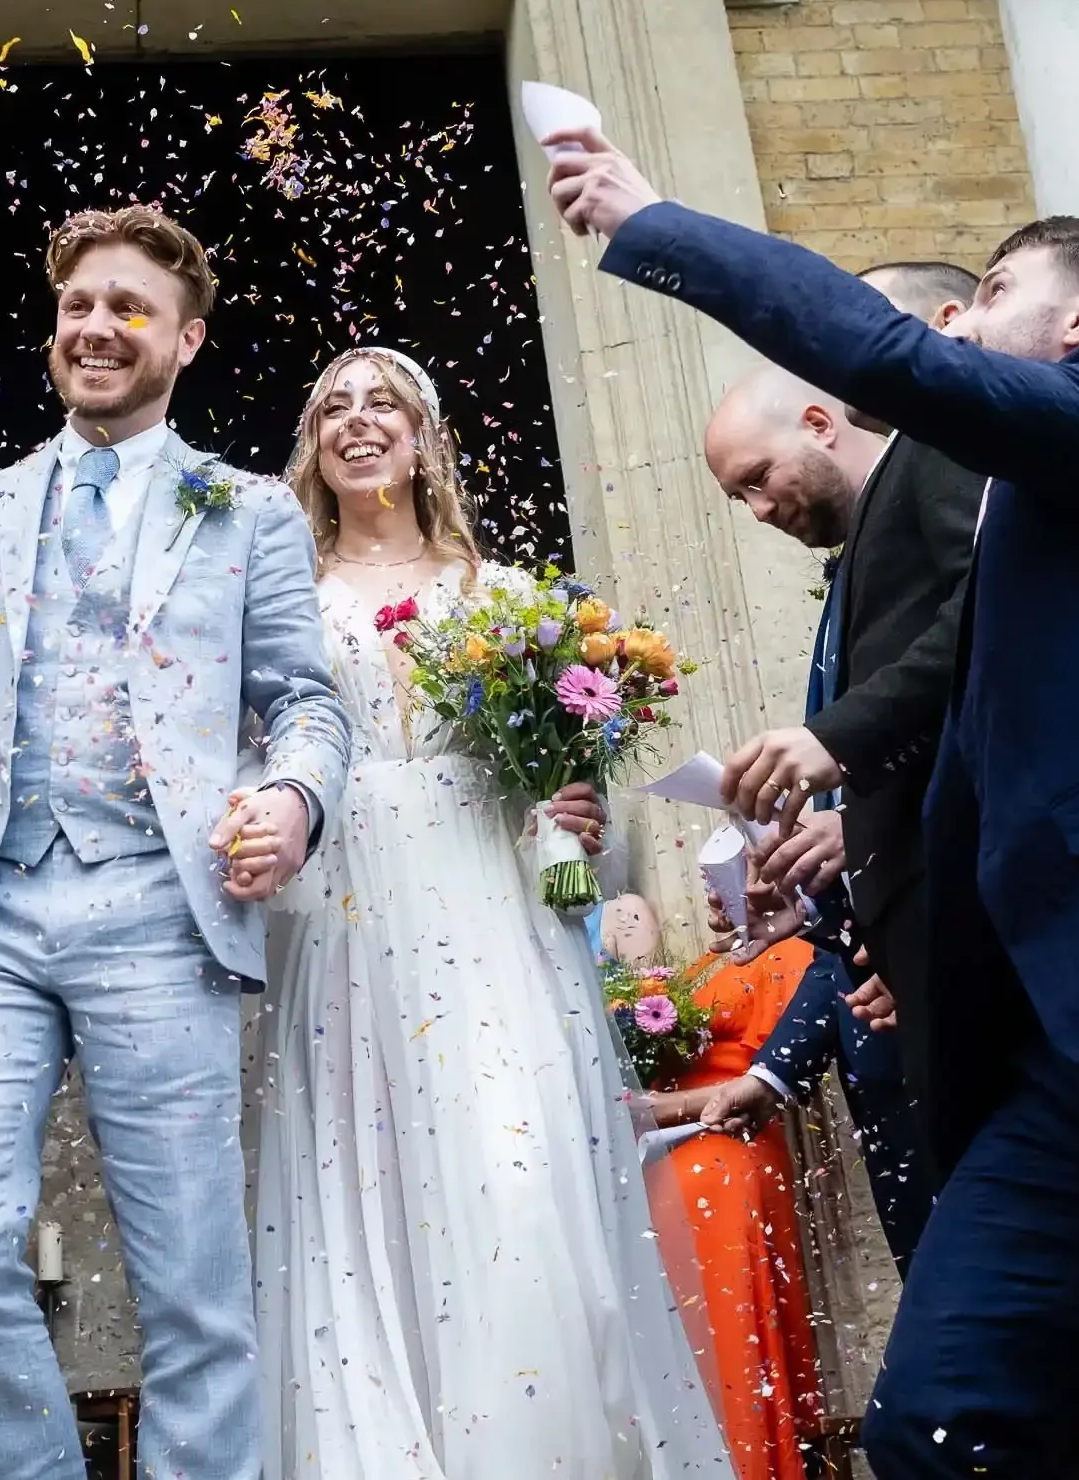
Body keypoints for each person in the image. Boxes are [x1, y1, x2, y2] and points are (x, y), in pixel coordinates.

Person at [546, 126, 1079, 1478]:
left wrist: (652, 219)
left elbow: (887, 358)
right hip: (1040, 1058)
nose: (955, 322)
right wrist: (855, 900)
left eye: (986, 298)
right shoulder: (1022, 518)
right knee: (939, 1420)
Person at [0, 204, 353, 1478]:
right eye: (78, 306)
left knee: (191, 1287)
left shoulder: (249, 513)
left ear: (185, 340)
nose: (97, 328)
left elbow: (304, 702)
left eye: (129, 308)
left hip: (160, 911)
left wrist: (291, 802)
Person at [252, 346, 728, 1479]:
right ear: (315, 442)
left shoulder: (503, 596)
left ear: (424, 439)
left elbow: (565, 795)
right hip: (345, 900)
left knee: (517, 1170)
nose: (358, 423)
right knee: (364, 1179)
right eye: (334, 408)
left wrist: (572, 808)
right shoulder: (278, 594)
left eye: (385, 405)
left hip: (491, 904)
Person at [702, 263, 984, 1201]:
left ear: (819, 424)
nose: (759, 510)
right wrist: (815, 899)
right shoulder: (853, 566)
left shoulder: (945, 455)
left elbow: (988, 629)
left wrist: (840, 745)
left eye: (758, 480)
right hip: (900, 983)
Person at [643, 941, 831, 1480]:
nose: (714, 886)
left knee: (737, 1315)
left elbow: (777, 1073)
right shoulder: (707, 960)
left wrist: (656, 1109)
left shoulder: (797, 953)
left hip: (728, 1151)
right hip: (670, 1165)